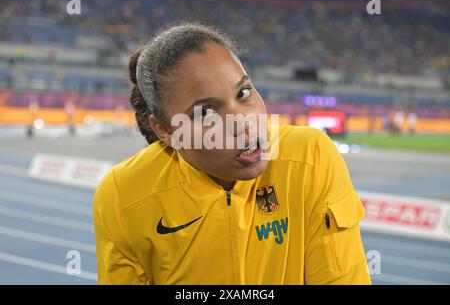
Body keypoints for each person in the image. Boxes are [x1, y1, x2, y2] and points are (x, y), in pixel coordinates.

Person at [93, 23, 371, 285]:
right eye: (205, 112)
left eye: (243, 92)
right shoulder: (123, 195)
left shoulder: (309, 157)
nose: (243, 123)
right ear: (165, 130)